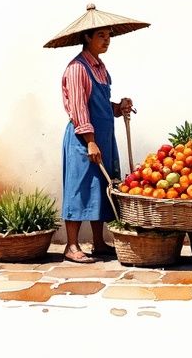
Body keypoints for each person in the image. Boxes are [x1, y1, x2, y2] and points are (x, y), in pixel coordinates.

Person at [60, 27, 134, 263]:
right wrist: (90, 142)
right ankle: (71, 246)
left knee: (100, 189)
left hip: (103, 138)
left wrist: (119, 107)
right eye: (101, 36)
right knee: (79, 188)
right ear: (87, 38)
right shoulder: (76, 69)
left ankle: (99, 242)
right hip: (83, 140)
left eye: (108, 36)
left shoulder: (99, 68)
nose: (107, 41)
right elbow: (79, 109)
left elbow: (100, 105)